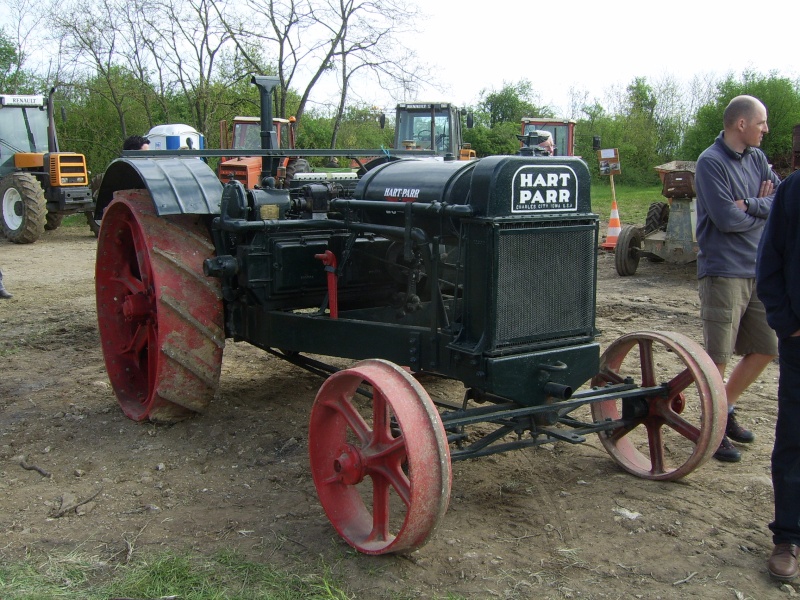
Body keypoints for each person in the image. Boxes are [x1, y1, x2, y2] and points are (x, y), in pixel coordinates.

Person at [694, 94, 780, 463]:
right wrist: (754, 210)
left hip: (756, 267)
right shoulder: (710, 163)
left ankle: (723, 411)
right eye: (761, 122)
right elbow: (727, 220)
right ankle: (710, 431)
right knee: (717, 357)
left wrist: (752, 205)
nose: (766, 129)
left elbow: (781, 198)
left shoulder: (758, 158)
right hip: (723, 271)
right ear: (741, 124)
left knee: (765, 348)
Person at [756, 170, 800, 581]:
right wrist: (788, 324)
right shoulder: (793, 190)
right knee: (794, 437)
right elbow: (769, 262)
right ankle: (788, 536)